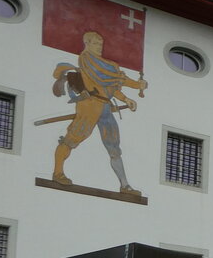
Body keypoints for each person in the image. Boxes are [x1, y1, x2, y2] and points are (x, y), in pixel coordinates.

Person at [51, 31, 147, 195]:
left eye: (100, 44)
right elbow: (107, 78)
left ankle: (125, 186)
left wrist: (126, 99)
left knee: (114, 147)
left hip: (105, 108)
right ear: (87, 43)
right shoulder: (87, 59)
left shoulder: (107, 64)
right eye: (96, 43)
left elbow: (111, 88)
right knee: (72, 139)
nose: (99, 46)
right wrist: (136, 85)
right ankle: (58, 172)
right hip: (89, 105)